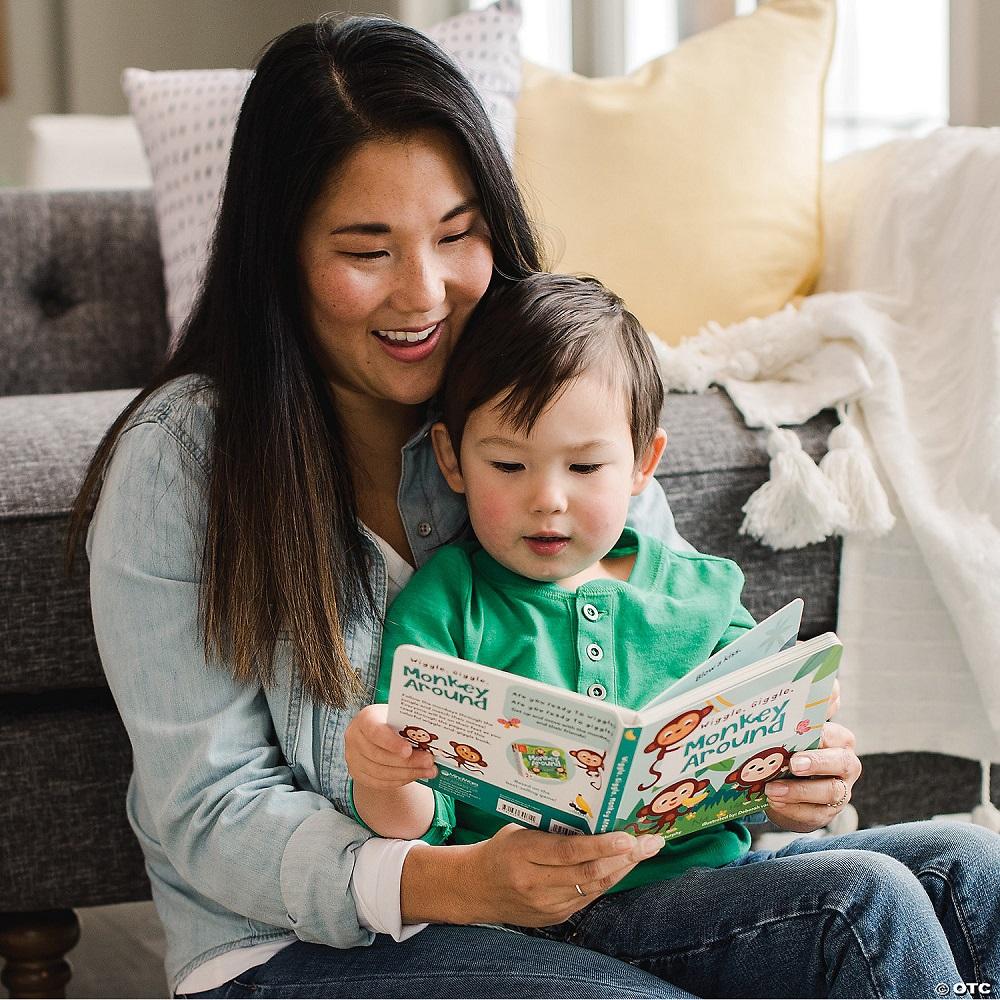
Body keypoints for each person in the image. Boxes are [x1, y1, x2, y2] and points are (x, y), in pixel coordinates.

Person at [70, 16, 698, 1000]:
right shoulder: (180, 461)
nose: (425, 292)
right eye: (368, 249)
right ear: (278, 254)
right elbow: (207, 808)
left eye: (457, 234)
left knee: (949, 879)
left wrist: (773, 775)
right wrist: (453, 880)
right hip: (287, 949)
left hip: (584, 908)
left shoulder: (540, 395)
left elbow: (667, 635)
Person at [347, 273, 1000, 999]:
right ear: (450, 460)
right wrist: (382, 776)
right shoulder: (448, 605)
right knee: (861, 902)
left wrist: (802, 777)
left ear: (643, 465)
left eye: (586, 466)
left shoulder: (701, 589)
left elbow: (770, 766)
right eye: (509, 465)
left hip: (724, 885)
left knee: (975, 864)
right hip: (562, 918)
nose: (548, 498)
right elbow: (415, 824)